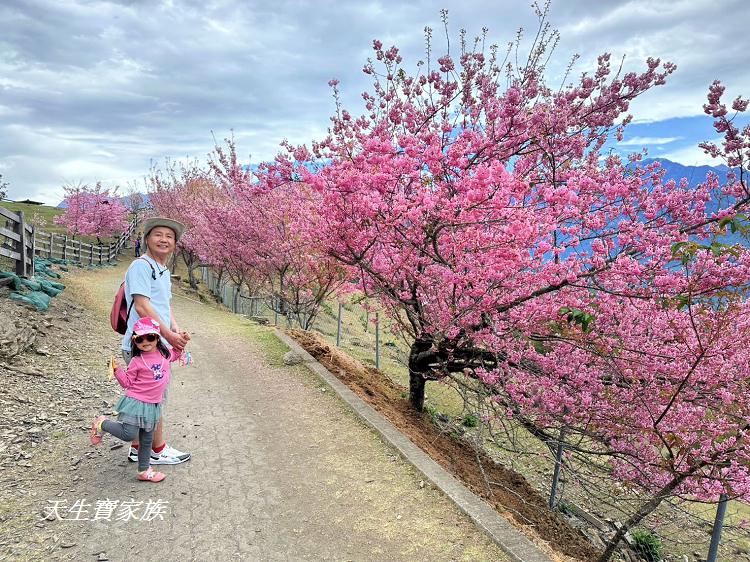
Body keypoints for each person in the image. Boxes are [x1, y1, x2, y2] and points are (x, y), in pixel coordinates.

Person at [121, 217, 191, 465]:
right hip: (144, 346)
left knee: (146, 397)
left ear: (174, 244)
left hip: (156, 345)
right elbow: (142, 306)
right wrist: (169, 337)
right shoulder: (141, 267)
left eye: (169, 237)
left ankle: (138, 448)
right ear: (147, 239)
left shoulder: (161, 270)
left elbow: (164, 305)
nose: (164, 240)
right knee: (153, 398)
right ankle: (157, 450)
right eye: (158, 234)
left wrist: (175, 329)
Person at [91, 317, 183, 482]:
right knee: (128, 434)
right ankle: (102, 423)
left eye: (150, 337)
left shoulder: (164, 354)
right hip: (136, 402)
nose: (145, 341)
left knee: (147, 439)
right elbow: (127, 383)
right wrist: (117, 369)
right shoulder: (136, 361)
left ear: (157, 337)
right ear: (135, 340)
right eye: (140, 338)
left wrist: (183, 340)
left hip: (153, 405)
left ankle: (143, 470)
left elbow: (176, 353)